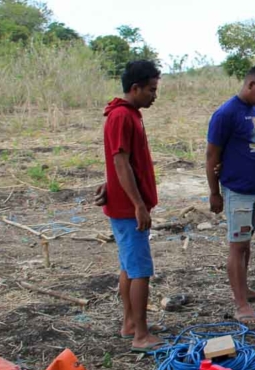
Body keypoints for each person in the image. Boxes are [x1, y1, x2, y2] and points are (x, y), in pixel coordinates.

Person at [206, 63, 255, 326]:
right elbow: (212, 154)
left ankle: (244, 290)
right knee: (237, 246)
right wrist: (214, 192)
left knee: (246, 243)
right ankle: (240, 305)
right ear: (251, 85)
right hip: (236, 190)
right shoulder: (225, 114)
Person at [99, 60, 164, 353]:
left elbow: (120, 163)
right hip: (128, 209)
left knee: (128, 267)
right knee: (140, 270)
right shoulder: (122, 117)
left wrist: (110, 185)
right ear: (135, 88)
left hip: (123, 203)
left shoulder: (128, 115)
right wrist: (139, 204)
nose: (154, 95)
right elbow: (120, 161)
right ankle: (141, 334)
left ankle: (129, 323)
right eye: (151, 90)